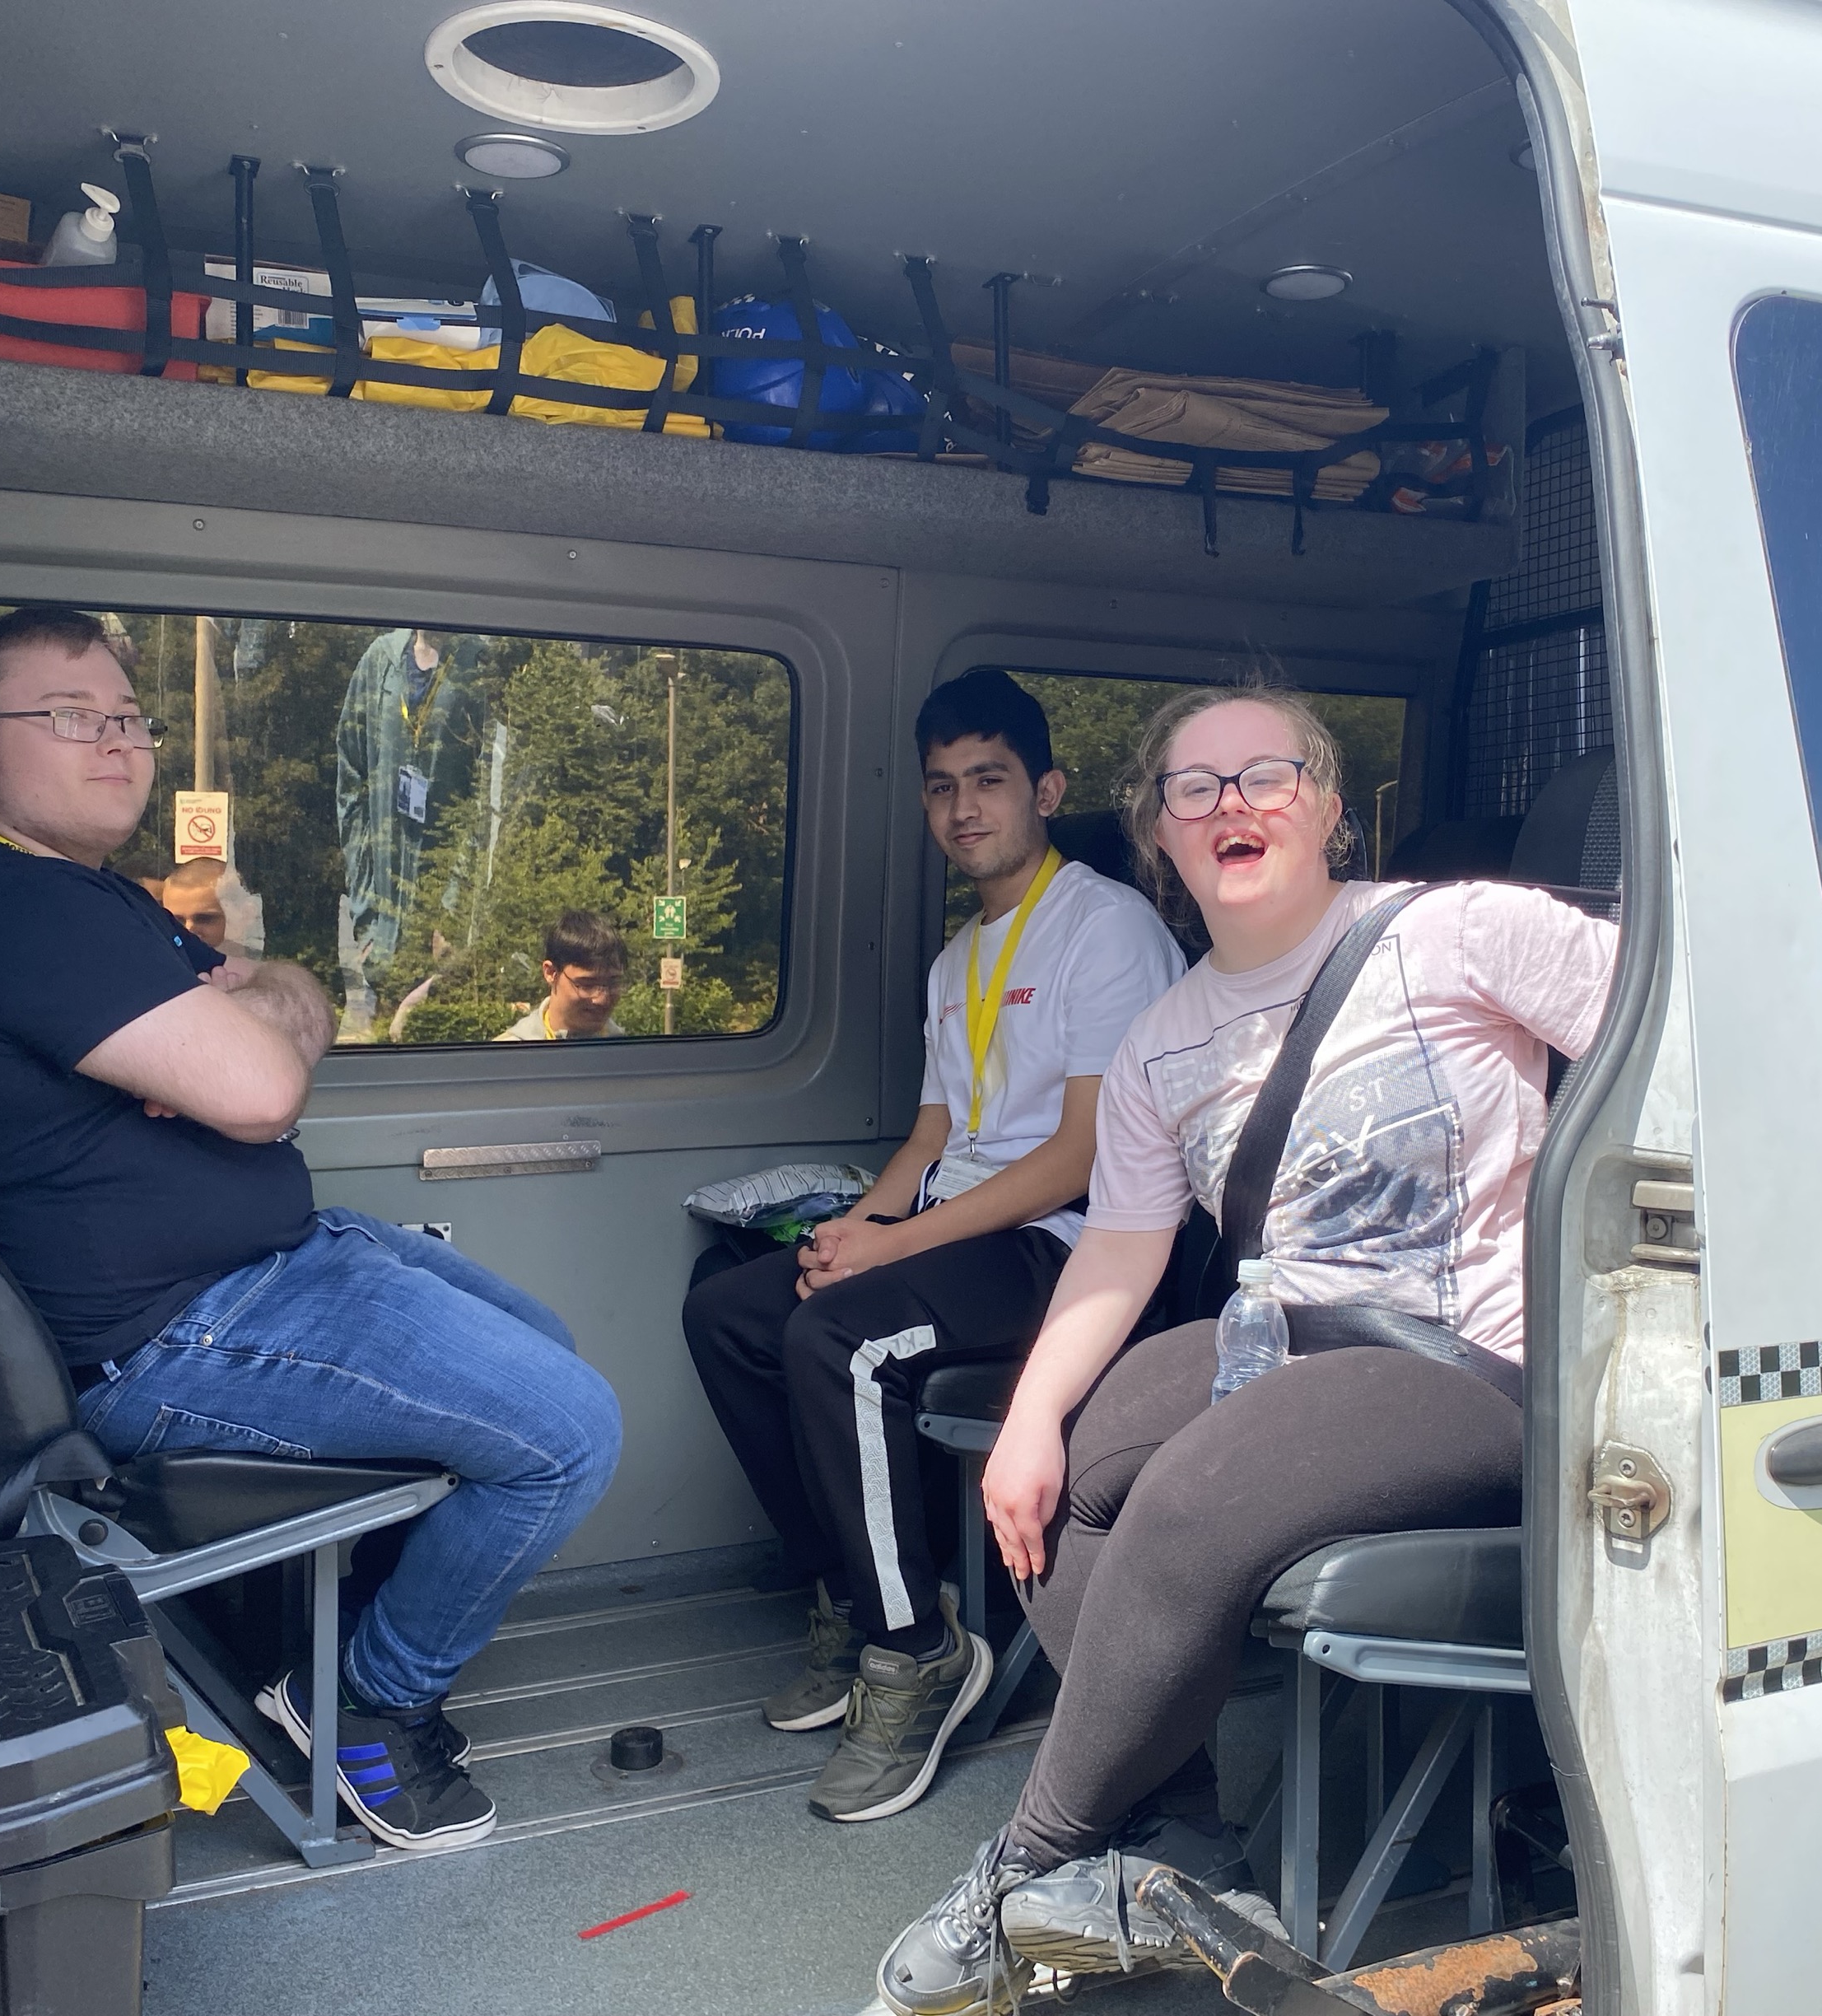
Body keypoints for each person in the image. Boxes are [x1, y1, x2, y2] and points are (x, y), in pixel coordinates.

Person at [874, 684, 1616, 2013]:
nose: (1231, 804)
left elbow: (1671, 1050)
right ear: (1155, 832)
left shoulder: (1458, 932)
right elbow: (1116, 1251)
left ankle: (1023, 1865)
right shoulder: (1163, 1041)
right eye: (1193, 787)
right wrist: (1033, 1417)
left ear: (1328, 806)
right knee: (1052, 1480)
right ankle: (1182, 1841)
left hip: (1467, 1360)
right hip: (1278, 1344)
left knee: (1188, 1496)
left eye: (1264, 776)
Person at [0, 606, 622, 1853]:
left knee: (548, 1348)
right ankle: (368, 1709)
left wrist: (256, 1013)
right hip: (184, 1331)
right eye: (70, 716)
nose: (117, 743)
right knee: (566, 1433)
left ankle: (327, 1661)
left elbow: (297, 1003)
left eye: (128, 718)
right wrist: (245, 1032)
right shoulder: (8, 908)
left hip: (280, 1263)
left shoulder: (90, 896)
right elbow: (266, 1085)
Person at [684, 669, 1184, 1824]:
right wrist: (864, 1227)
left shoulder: (1105, 929)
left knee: (840, 1339)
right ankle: (849, 1590)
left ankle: (914, 1651)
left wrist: (893, 1252)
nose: (965, 809)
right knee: (730, 1308)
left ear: (1045, 790)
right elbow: (932, 1133)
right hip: (965, 1224)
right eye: (942, 788)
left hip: (1067, 1245)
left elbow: (1076, 1159)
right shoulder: (957, 959)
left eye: (991, 782)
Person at [335, 627, 495, 1037]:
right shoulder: (380, 660)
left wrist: (454, 911)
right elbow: (351, 782)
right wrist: (366, 910)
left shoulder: (477, 663)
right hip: (384, 909)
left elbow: (488, 795)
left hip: (447, 898)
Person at [497, 908, 631, 1040]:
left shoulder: (631, 1053)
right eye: (587, 985)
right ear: (551, 973)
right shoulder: (508, 1055)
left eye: (613, 983)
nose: (602, 999)